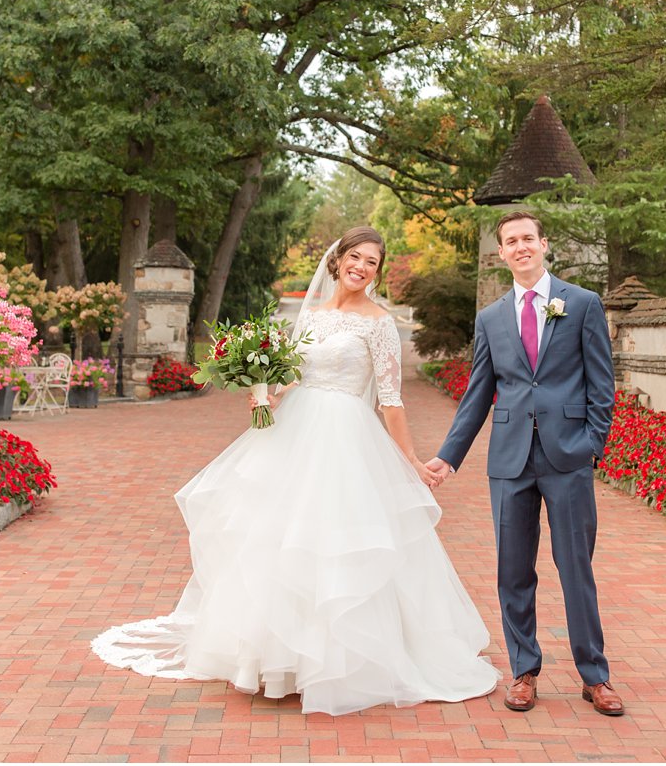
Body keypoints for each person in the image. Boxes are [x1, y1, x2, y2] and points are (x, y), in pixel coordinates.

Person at [91, 227, 499, 715]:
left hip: (348, 439)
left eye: (372, 261)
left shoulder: (379, 324)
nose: (362, 267)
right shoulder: (312, 315)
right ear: (337, 260)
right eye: (355, 257)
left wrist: (410, 460)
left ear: (377, 270)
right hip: (291, 432)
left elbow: (390, 400)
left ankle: (336, 662)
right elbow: (291, 376)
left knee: (335, 543)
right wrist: (264, 392)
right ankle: (271, 661)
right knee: (276, 541)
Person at [425, 211, 623, 716]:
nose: (520, 248)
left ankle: (594, 676)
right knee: (513, 571)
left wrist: (591, 445)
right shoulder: (492, 317)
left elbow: (602, 385)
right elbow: (478, 393)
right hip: (509, 460)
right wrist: (449, 456)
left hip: (568, 456)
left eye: (527, 239)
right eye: (510, 242)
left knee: (575, 567)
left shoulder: (581, 304)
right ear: (501, 253)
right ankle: (524, 672)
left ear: (543, 244)